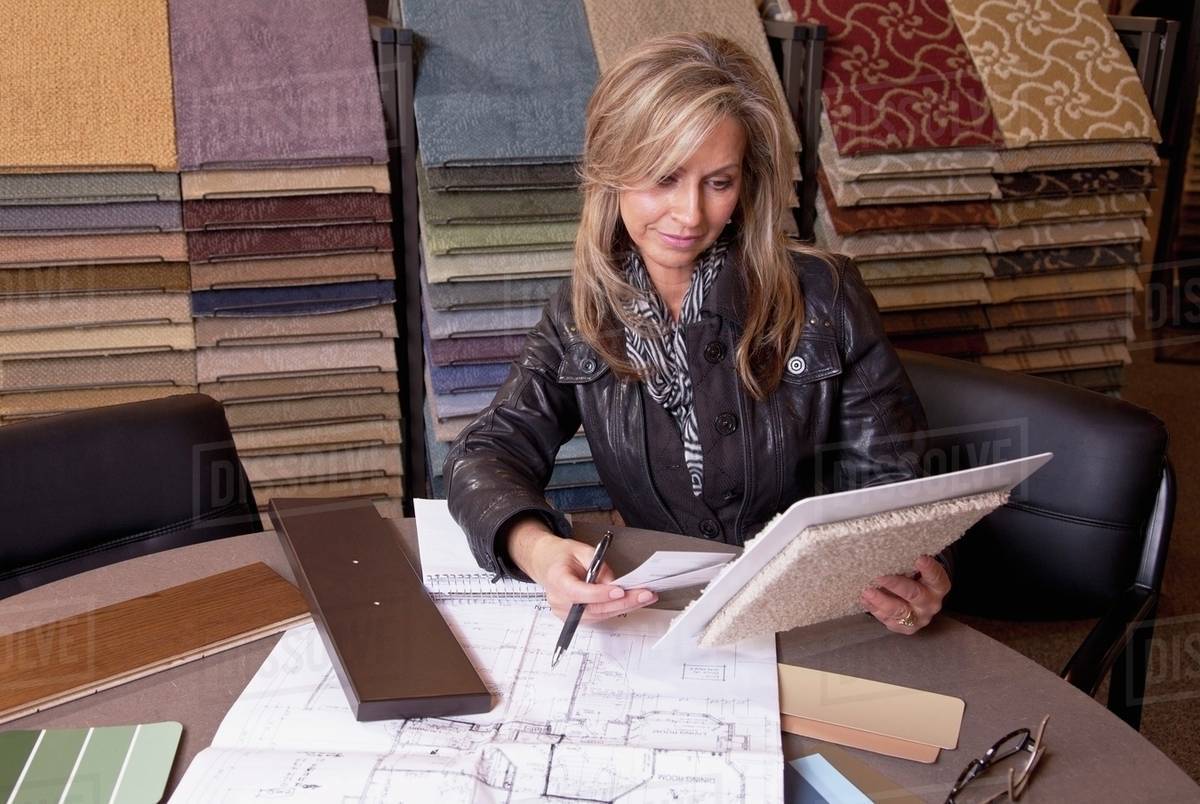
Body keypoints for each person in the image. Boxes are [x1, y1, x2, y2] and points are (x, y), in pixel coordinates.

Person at [445, 32, 950, 636]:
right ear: (611, 174)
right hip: (664, 616)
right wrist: (539, 551)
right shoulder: (581, 315)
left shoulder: (824, 294)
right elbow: (484, 453)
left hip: (813, 614)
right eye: (663, 177)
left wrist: (917, 577)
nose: (690, 215)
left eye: (718, 182)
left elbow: (900, 490)